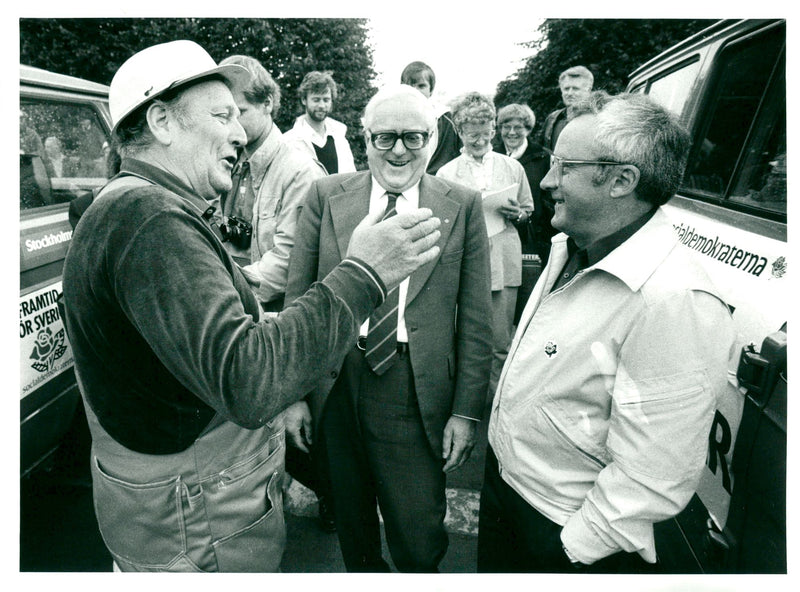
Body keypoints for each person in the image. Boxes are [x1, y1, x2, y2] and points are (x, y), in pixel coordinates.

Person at [61, 40, 442, 573]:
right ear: (161, 121)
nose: (241, 133)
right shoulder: (153, 220)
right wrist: (363, 273)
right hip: (200, 526)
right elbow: (249, 380)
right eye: (223, 116)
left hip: (174, 512)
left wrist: (273, 322)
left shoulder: (137, 205)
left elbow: (204, 344)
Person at [477, 91, 738, 573]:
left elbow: (655, 474)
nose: (547, 181)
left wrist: (568, 551)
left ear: (622, 180)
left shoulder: (675, 300)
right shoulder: (572, 245)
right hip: (509, 493)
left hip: (560, 531)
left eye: (564, 167)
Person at [283, 84, 492, 572]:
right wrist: (293, 396)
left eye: (413, 137)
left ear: (432, 139)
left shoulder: (462, 204)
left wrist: (465, 412)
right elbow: (298, 298)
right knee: (351, 526)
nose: (399, 150)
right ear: (366, 138)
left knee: (418, 536)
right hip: (336, 381)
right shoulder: (326, 195)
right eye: (385, 137)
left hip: (413, 389)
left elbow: (476, 320)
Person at [436, 92, 532, 395]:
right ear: (460, 132)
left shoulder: (512, 167)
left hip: (504, 259)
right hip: (466, 260)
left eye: (485, 133)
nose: (479, 141)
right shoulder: (446, 173)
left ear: (493, 129)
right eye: (472, 135)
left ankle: (494, 408)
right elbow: (441, 222)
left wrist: (518, 214)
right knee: (464, 338)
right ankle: (465, 404)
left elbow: (528, 210)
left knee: (501, 341)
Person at [214, 55, 325, 311]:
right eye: (224, 115)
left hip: (273, 314)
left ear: (267, 103)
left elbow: (289, 261)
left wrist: (220, 290)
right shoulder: (228, 162)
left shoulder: (300, 171)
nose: (231, 126)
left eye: (240, 112)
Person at [282, 70, 356, 175]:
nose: (321, 105)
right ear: (304, 100)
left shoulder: (340, 138)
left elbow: (351, 178)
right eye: (316, 100)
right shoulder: (289, 142)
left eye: (326, 100)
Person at [400, 60, 461, 174]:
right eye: (410, 86)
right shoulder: (394, 119)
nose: (416, 91)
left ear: (431, 90)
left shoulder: (446, 118)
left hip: (440, 179)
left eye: (421, 86)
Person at [540, 65, 594, 152]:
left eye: (575, 89)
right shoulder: (552, 119)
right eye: (566, 89)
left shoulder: (599, 119)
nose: (569, 93)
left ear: (588, 90)